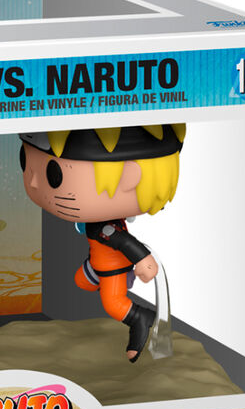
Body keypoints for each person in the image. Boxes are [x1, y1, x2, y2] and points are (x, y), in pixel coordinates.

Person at [19, 124, 185, 362]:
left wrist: (143, 259)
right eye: (24, 160)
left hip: (112, 268)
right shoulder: (97, 224)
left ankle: (140, 318)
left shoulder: (106, 229)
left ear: (129, 178)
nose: (34, 183)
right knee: (82, 281)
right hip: (97, 262)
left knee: (113, 304)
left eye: (54, 175)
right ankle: (114, 285)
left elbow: (124, 241)